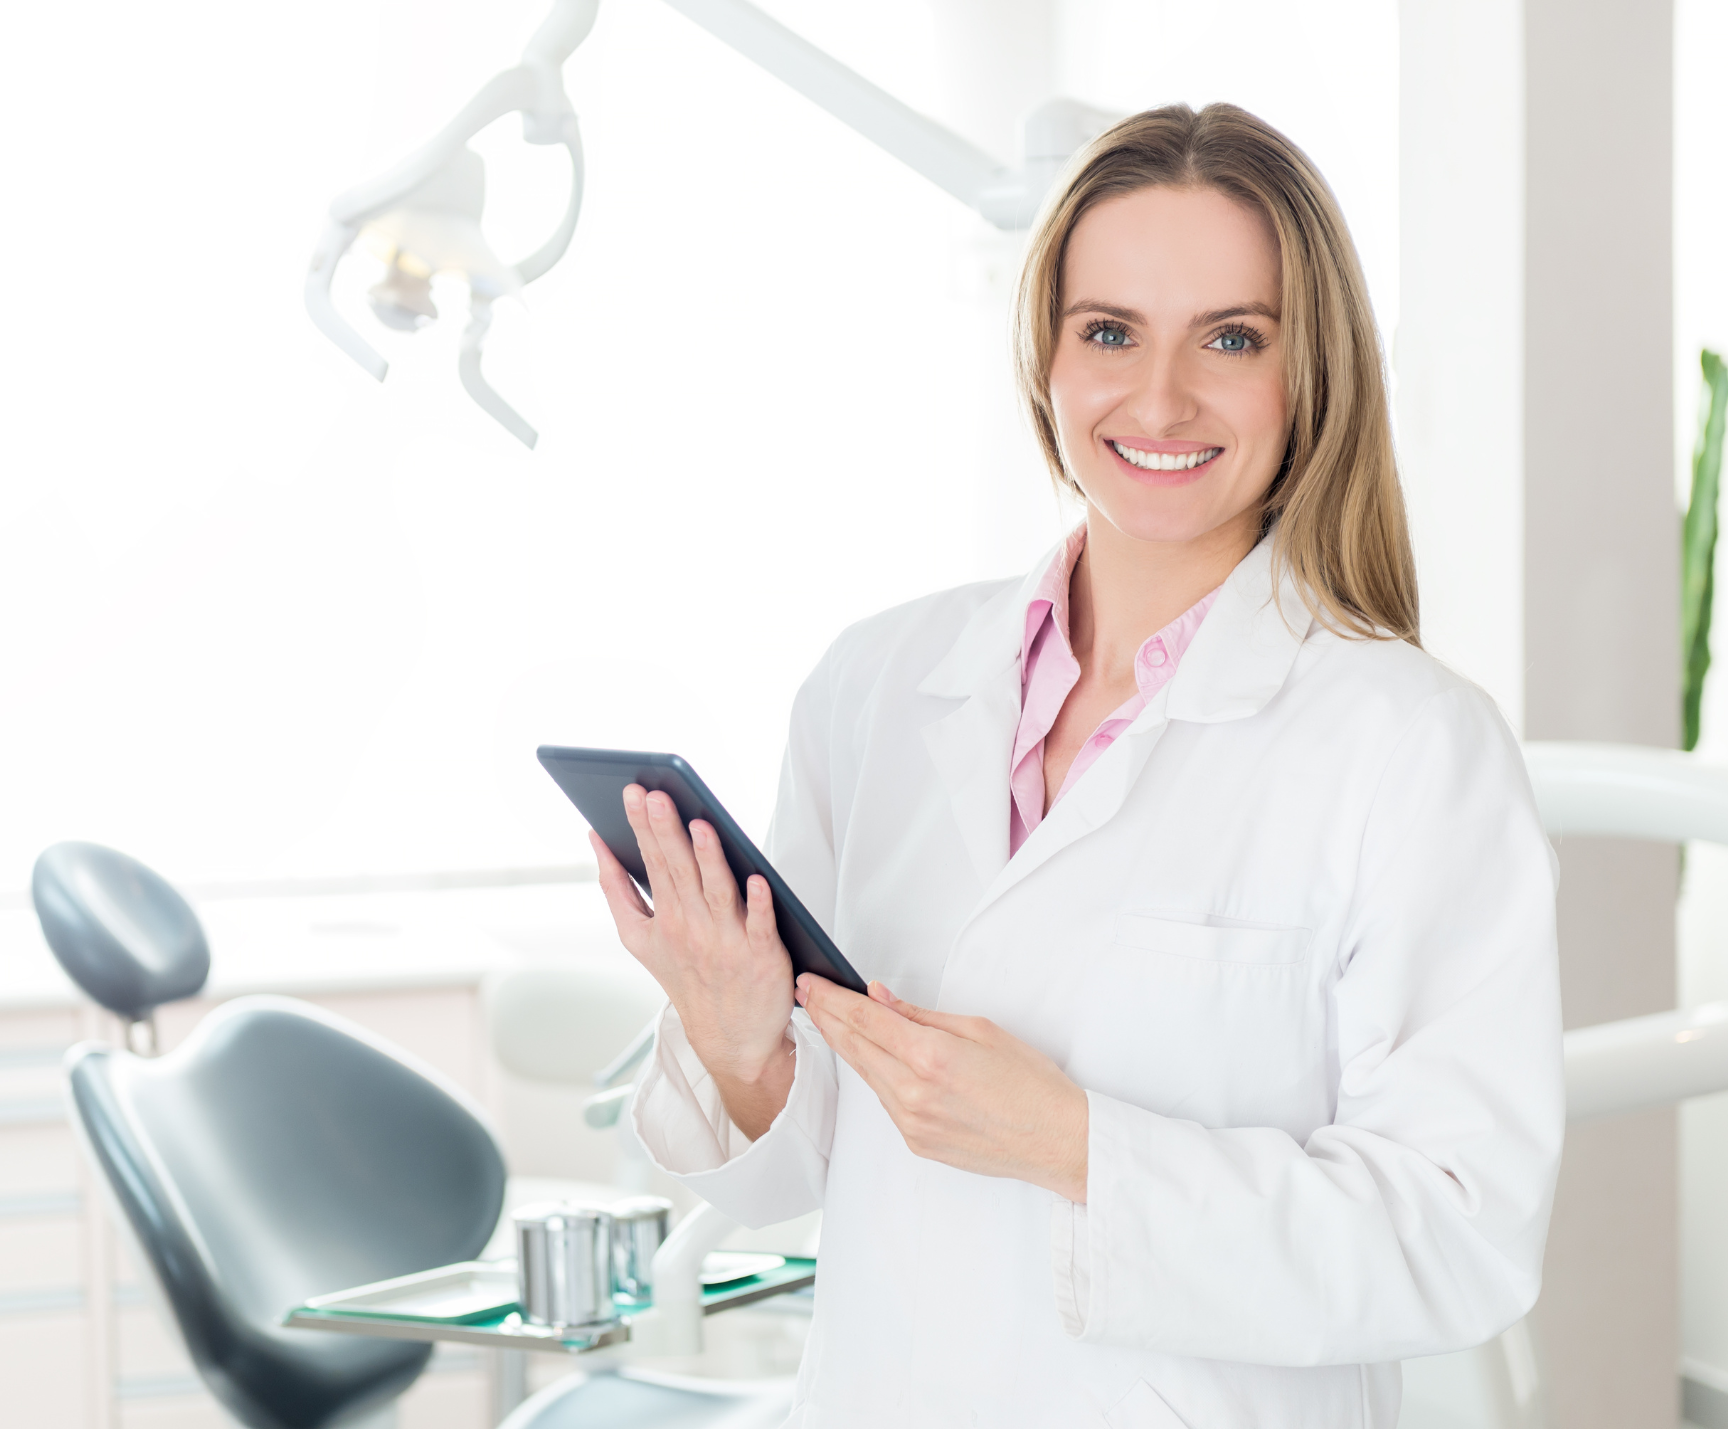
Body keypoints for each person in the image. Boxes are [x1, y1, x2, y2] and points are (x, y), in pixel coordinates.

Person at [591, 102, 1562, 1428]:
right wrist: (737, 1035)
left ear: (1310, 372)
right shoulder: (877, 686)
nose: (1158, 399)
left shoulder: (1409, 748)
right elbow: (798, 1170)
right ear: (1046, 353)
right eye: (1109, 331)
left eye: (1231, 338)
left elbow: (1459, 1234)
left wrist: (1072, 1144)